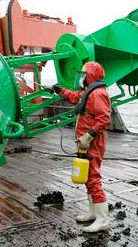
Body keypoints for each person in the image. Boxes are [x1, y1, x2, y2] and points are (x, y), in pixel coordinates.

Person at [46, 61, 111, 233]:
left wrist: (89, 136)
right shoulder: (88, 92)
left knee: (93, 177)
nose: (81, 77)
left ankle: (103, 219)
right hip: (84, 143)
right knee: (87, 177)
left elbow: (104, 119)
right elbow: (73, 96)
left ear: (90, 76)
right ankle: (93, 212)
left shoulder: (97, 94)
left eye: (84, 74)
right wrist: (57, 88)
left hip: (92, 142)